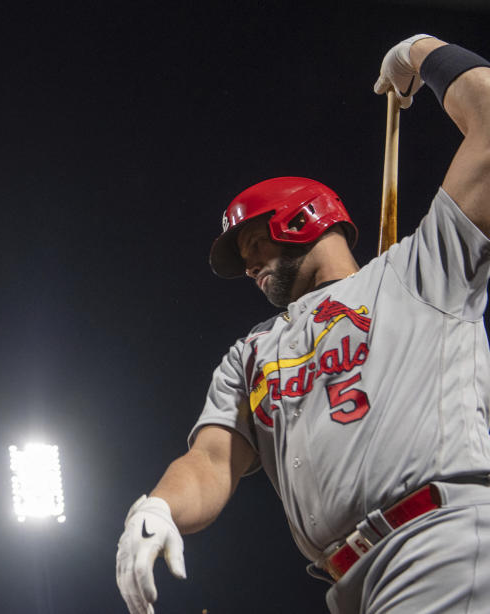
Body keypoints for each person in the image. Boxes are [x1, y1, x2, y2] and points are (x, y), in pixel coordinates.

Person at [116, 34, 490, 614]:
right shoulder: (251, 354)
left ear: (300, 217)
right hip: (352, 585)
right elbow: (213, 462)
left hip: (440, 541)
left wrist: (421, 51)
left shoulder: (418, 269)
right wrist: (158, 506)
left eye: (250, 242)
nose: (247, 266)